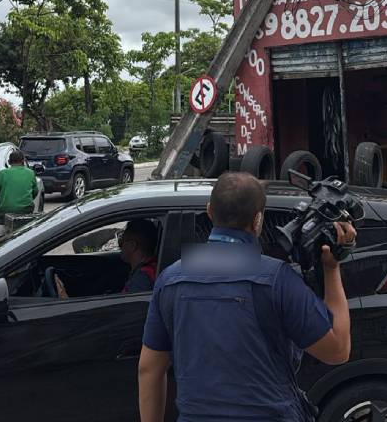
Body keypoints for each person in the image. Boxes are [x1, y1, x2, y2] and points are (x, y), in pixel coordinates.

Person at [137, 172, 355, 422]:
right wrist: (331, 268)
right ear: (258, 220)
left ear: (210, 211)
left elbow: (149, 369)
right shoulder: (277, 279)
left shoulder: (170, 279)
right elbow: (337, 351)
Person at [55, 217, 160, 298]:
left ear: (132, 246)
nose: (120, 245)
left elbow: (124, 314)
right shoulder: (145, 271)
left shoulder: (141, 280)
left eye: (122, 240)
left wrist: (64, 298)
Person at [0, 149, 37, 240]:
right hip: (25, 212)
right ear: (23, 161)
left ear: (9, 162)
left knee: (0, 239)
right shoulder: (30, 173)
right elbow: (35, 192)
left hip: (5, 213)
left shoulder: (2, 174)